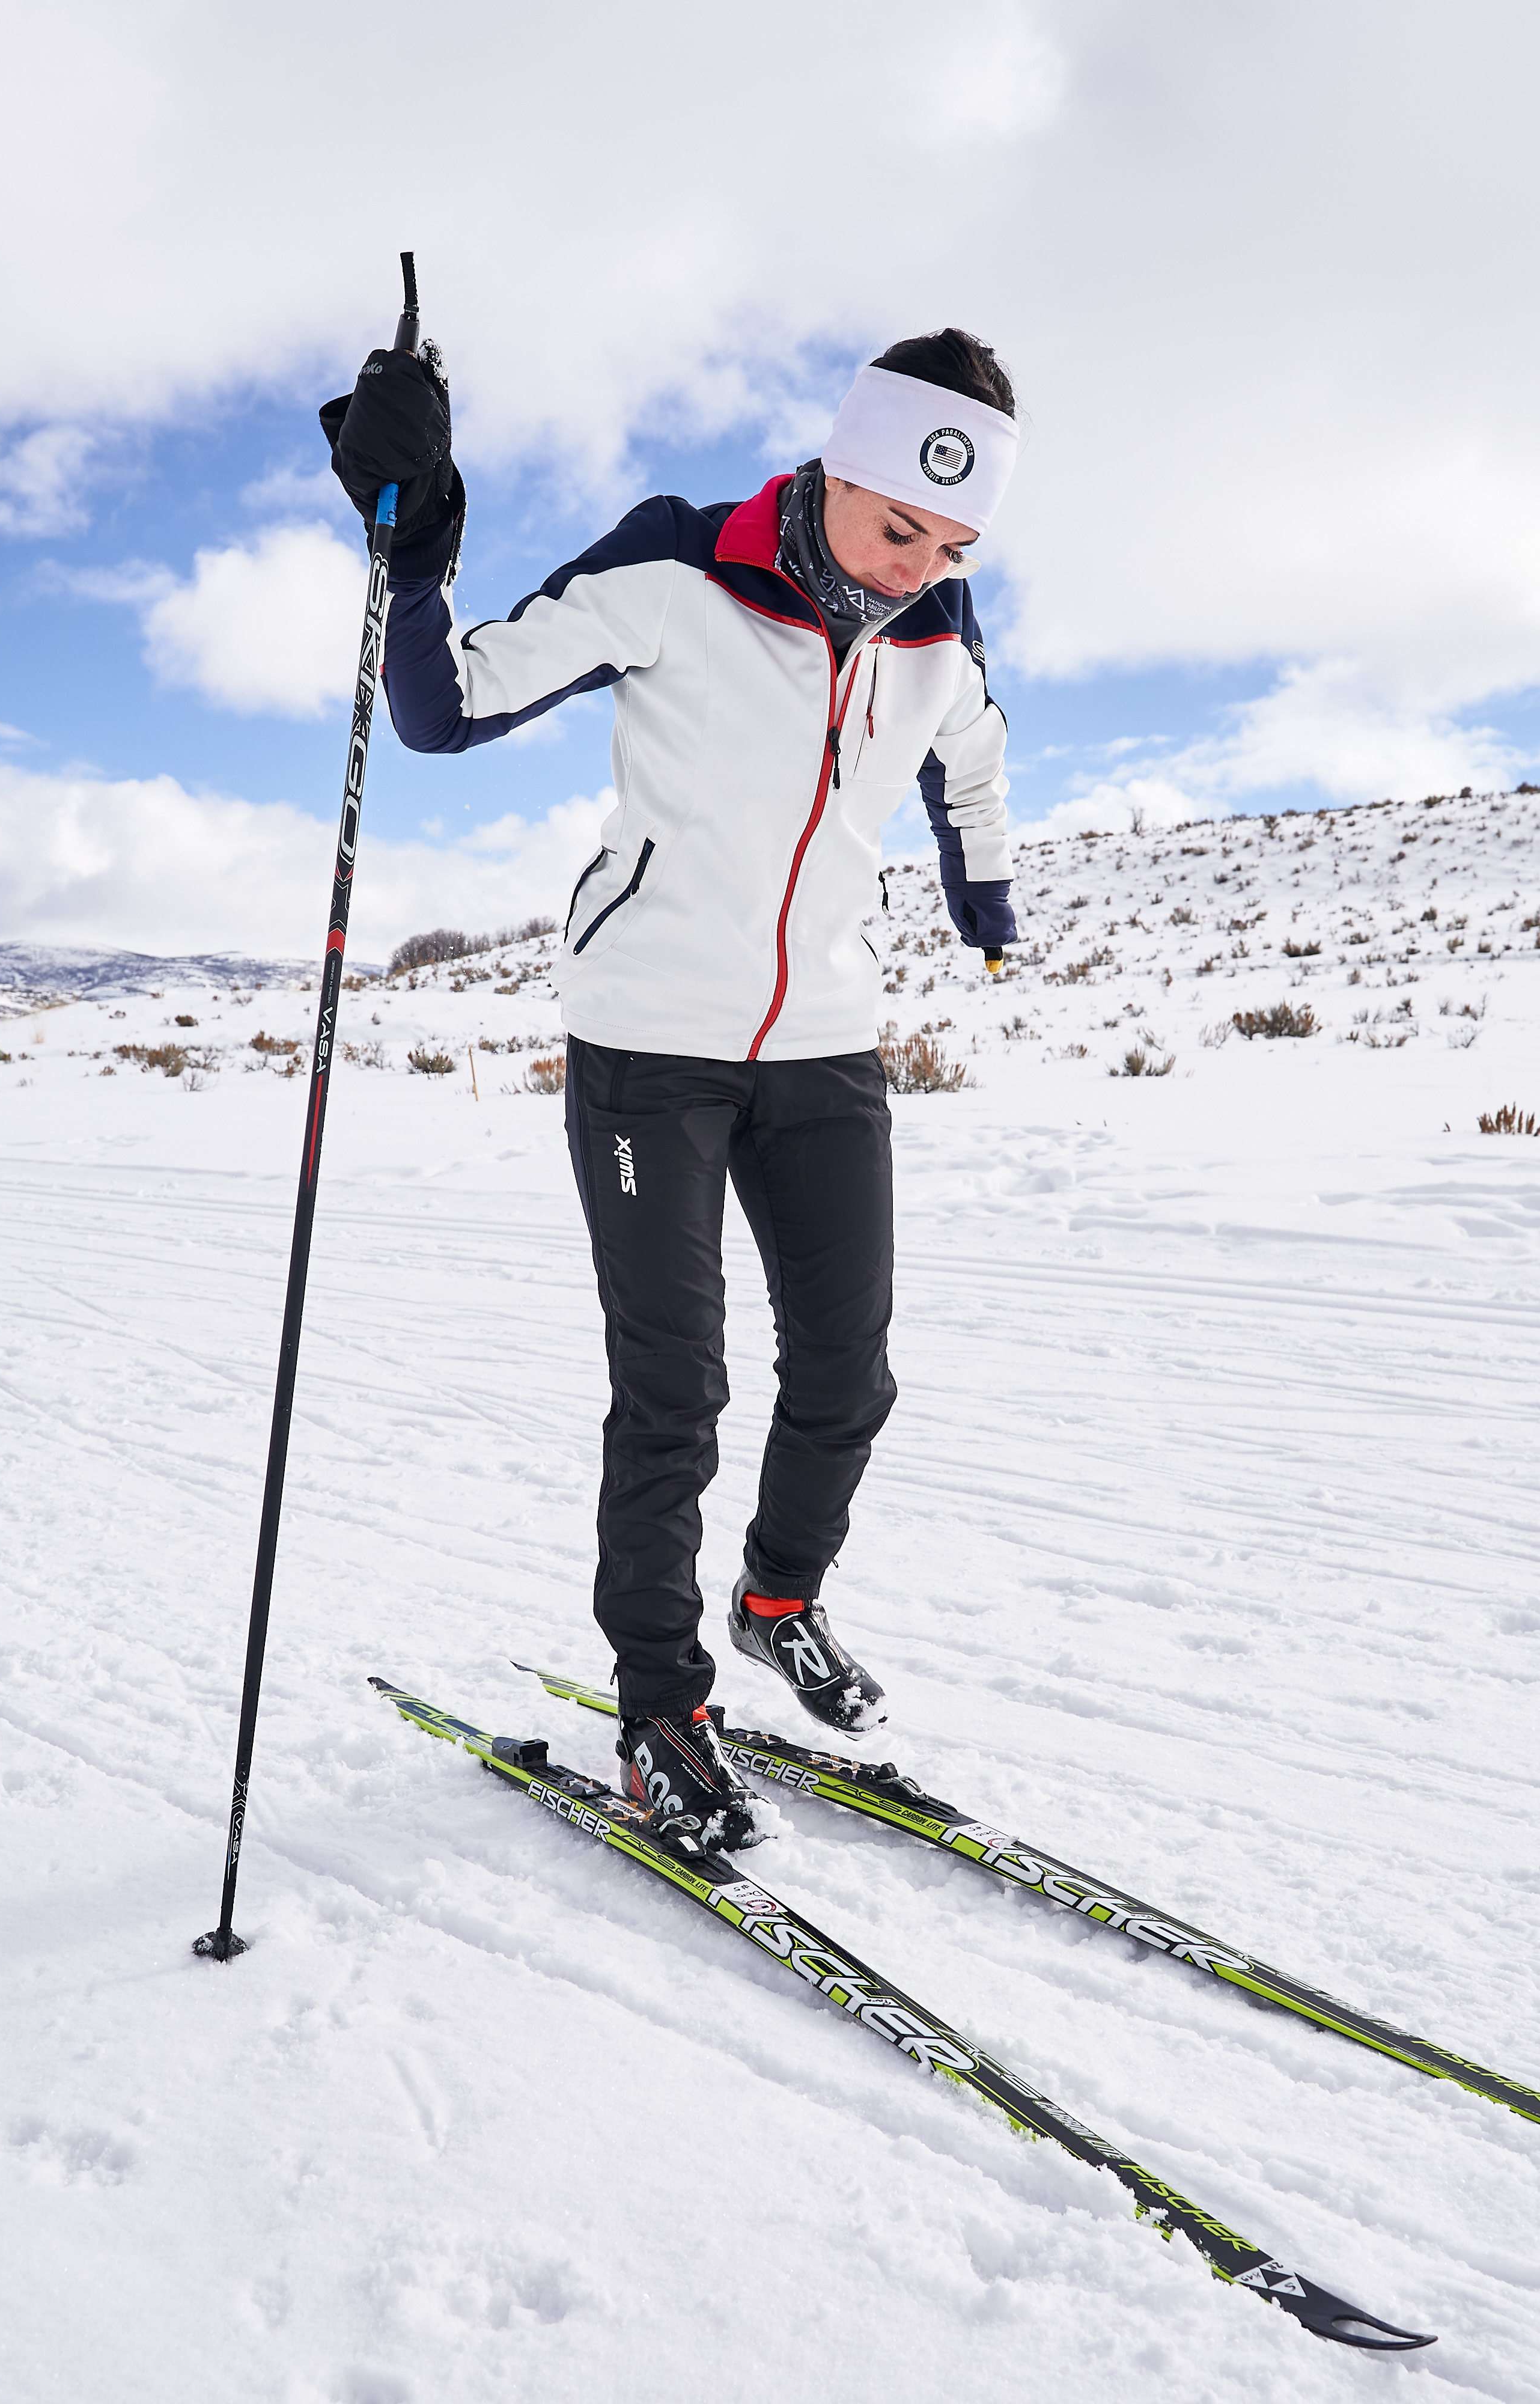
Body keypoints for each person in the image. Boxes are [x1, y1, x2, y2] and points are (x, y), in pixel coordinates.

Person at [320, 328, 1024, 1854]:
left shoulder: (938, 639)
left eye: (955, 540)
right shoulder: (677, 567)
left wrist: (985, 889)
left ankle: (778, 1600)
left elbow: (973, 755)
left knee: (850, 1371)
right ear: (840, 463)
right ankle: (659, 1705)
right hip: (652, 1045)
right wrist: (415, 527)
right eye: (899, 522)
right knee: (676, 1394)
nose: (919, 565)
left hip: (823, 1041)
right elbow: (445, 711)